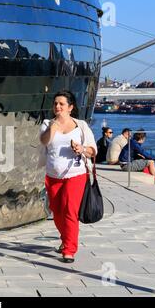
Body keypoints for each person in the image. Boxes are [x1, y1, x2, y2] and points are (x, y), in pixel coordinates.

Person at [40, 90, 97, 263]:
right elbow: (43, 141)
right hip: (53, 175)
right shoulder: (48, 123)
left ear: (70, 107)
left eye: (61, 104)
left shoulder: (81, 126)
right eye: (55, 103)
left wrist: (82, 149)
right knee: (57, 212)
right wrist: (53, 128)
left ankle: (69, 250)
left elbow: (93, 150)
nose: (57, 106)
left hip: (76, 174)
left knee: (70, 211)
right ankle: (66, 239)